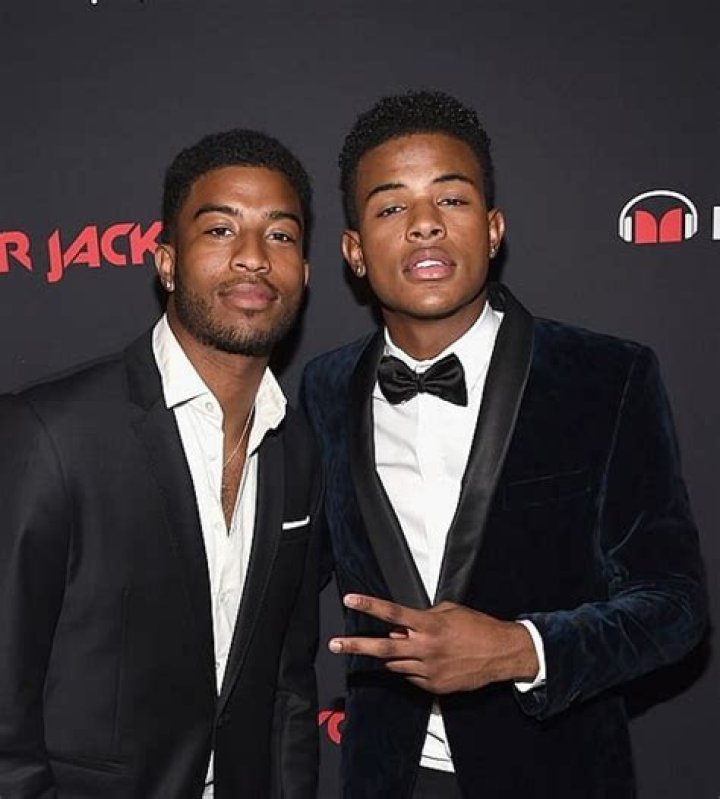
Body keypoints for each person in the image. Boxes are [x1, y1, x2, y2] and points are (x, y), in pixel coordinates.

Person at [300, 90, 707, 798]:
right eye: (392, 207)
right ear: (355, 252)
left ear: (492, 230)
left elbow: (675, 606)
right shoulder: (324, 387)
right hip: (387, 778)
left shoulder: (606, 376)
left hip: (557, 774)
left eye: (451, 199)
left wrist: (520, 649)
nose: (425, 223)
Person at [0, 129, 321, 798]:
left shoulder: (298, 447)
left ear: (306, 271)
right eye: (221, 230)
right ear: (167, 263)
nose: (254, 257)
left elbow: (288, 686)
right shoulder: (52, 433)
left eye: (280, 235)